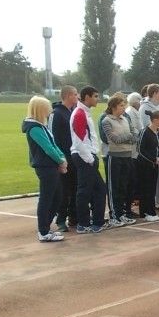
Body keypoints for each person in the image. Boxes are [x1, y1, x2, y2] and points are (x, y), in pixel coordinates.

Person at [23, 96, 67, 242]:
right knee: (46, 199)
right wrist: (61, 161)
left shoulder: (41, 126)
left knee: (57, 196)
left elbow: (53, 144)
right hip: (45, 167)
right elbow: (48, 148)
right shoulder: (34, 128)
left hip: (51, 166)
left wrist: (62, 158)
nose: (50, 111)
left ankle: (46, 228)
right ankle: (43, 230)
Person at [69, 86, 107, 234]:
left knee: (98, 189)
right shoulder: (79, 113)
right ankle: (84, 224)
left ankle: (96, 222)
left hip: (86, 156)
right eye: (95, 96)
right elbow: (79, 140)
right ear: (87, 97)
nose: (98, 99)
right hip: (84, 156)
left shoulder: (84, 112)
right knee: (85, 191)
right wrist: (90, 158)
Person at [101, 94, 137, 227]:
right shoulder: (106, 121)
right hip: (115, 157)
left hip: (127, 156)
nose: (124, 108)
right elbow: (114, 139)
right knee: (114, 187)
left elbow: (135, 136)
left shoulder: (126, 119)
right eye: (121, 105)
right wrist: (128, 136)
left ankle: (121, 214)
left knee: (123, 187)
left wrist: (127, 137)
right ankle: (114, 215)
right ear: (114, 106)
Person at [48, 85, 78, 233]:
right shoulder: (56, 113)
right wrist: (59, 158)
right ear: (68, 96)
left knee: (75, 187)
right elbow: (52, 137)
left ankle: (74, 216)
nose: (77, 97)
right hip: (63, 157)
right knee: (63, 190)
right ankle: (61, 219)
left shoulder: (73, 112)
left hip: (74, 156)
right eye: (75, 94)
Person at [137, 110, 159, 222]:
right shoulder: (145, 132)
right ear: (155, 120)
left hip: (155, 165)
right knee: (146, 188)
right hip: (145, 165)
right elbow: (140, 150)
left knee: (152, 188)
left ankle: (151, 211)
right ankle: (146, 212)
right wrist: (153, 159)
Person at [124, 92, 143, 218]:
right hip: (132, 150)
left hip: (136, 150)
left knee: (133, 178)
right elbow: (133, 129)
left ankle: (131, 204)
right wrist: (139, 136)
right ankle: (128, 206)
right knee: (130, 179)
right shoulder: (130, 112)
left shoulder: (135, 111)